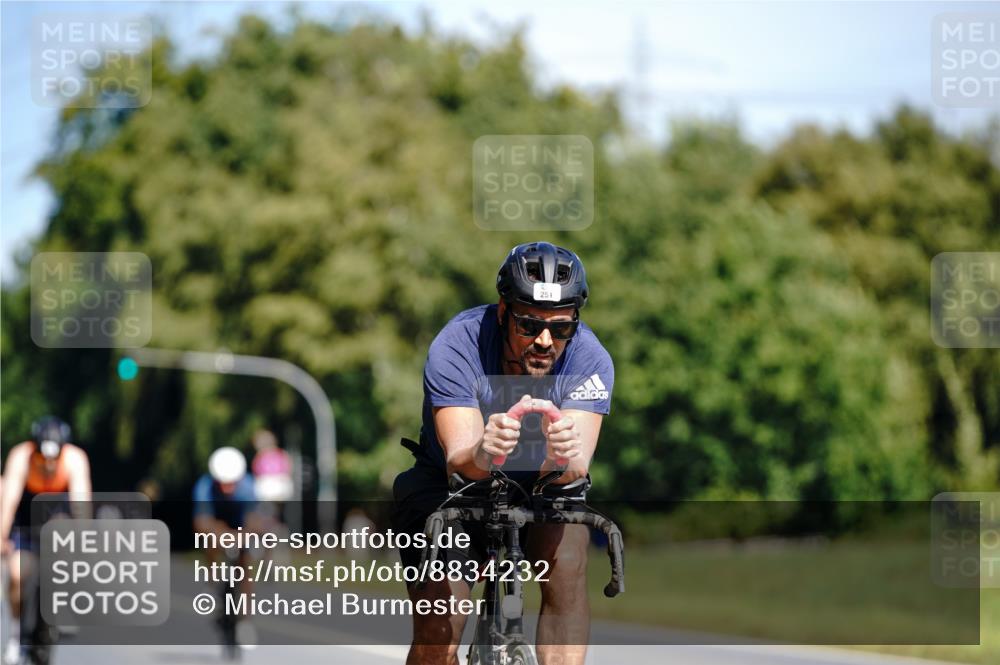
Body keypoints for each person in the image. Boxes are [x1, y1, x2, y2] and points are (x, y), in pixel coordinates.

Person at [392, 242, 614, 665]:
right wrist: (484, 449)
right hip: (452, 486)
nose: (545, 341)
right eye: (529, 325)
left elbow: (574, 469)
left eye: (561, 328)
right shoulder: (458, 344)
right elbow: (460, 460)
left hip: (541, 488)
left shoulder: (590, 358)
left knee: (568, 559)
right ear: (502, 312)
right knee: (441, 624)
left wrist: (560, 458)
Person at [1, 417, 91, 665]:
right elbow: (9, 501)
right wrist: (2, 536)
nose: (49, 464)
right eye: (44, 458)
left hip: (57, 522)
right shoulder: (21, 457)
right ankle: (16, 636)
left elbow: (81, 505)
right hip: (25, 523)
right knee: (17, 575)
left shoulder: (75, 459)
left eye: (54, 458)